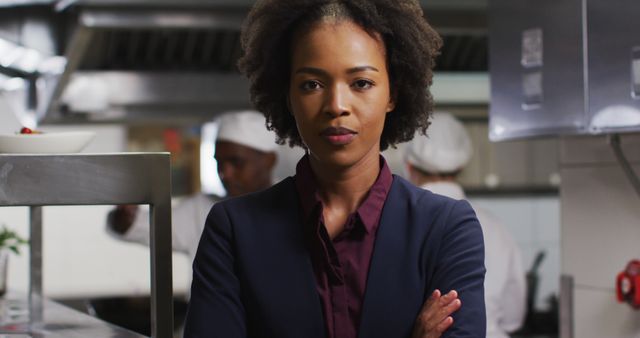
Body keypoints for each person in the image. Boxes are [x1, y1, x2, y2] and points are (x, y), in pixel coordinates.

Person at [185, 1, 486, 338]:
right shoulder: (233, 231)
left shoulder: (446, 228)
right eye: (312, 84)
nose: (336, 106)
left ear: (393, 94)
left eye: (361, 83)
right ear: (288, 97)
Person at [107, 110, 278, 271]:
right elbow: (140, 227)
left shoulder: (295, 205)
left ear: (269, 161)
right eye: (220, 162)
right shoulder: (202, 210)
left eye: (237, 163)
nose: (225, 174)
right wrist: (125, 217)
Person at [405, 112, 526, 338]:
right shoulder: (494, 226)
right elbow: (512, 317)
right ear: (461, 169)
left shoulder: (398, 225)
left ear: (409, 167)